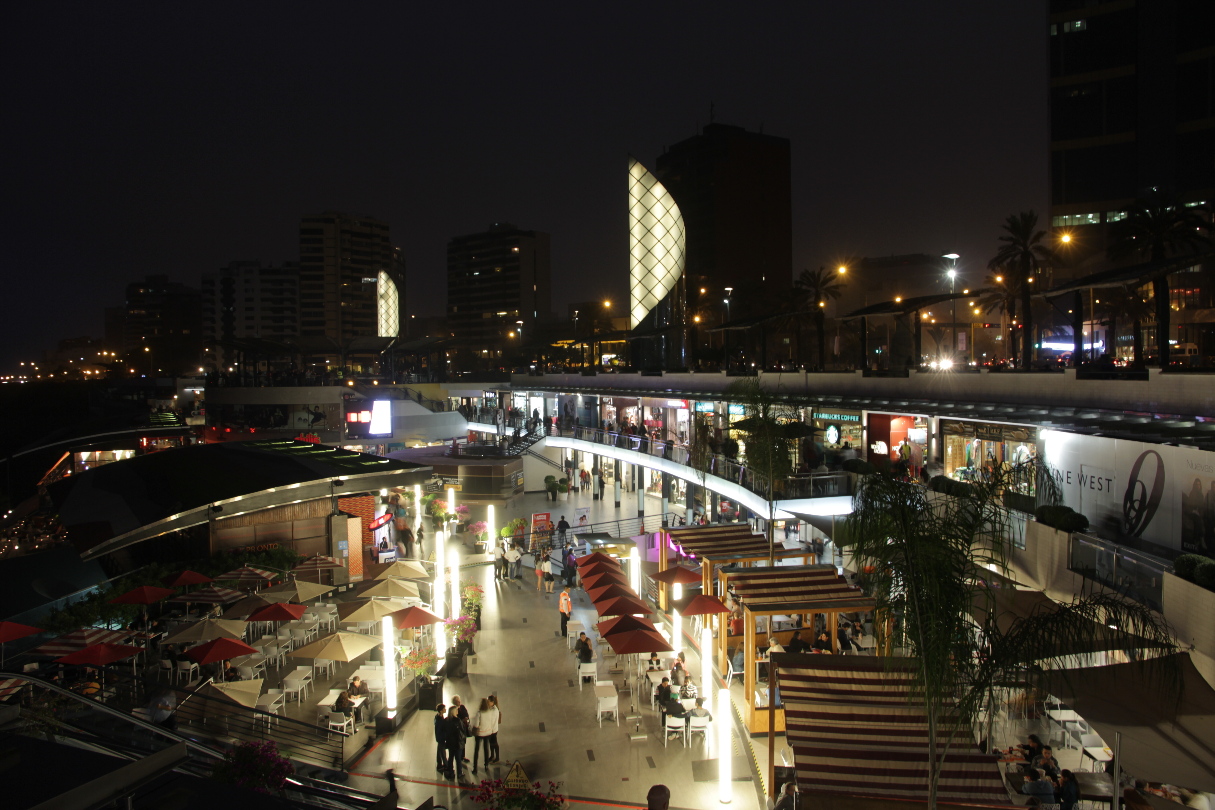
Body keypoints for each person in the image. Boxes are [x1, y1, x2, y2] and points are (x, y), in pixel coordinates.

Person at [442, 701, 469, 781]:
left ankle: (451, 772)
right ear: (454, 712)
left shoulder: (446, 720)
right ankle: (459, 773)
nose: (458, 711)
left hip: (450, 742)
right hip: (457, 743)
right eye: (457, 710)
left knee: (450, 758)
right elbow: (463, 730)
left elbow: (445, 730)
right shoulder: (458, 720)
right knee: (458, 759)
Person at [471, 697, 497, 773]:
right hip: (488, 733)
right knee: (486, 749)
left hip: (479, 733)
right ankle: (486, 765)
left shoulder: (479, 713)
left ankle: (475, 768)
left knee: (477, 750)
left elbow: (476, 724)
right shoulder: (490, 712)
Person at [486, 694, 502, 764]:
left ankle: (497, 757)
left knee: (494, 743)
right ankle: (492, 756)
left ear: (492, 702)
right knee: (491, 743)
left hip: (493, 730)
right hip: (491, 730)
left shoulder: (494, 710)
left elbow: (491, 721)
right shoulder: (492, 708)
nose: (487, 702)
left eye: (488, 701)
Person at [434, 704, 449, 773]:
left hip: (439, 737)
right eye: (444, 709)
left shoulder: (438, 717)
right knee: (443, 752)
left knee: (439, 751)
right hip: (441, 737)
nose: (445, 709)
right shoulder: (440, 720)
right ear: (441, 711)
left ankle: (439, 765)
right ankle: (446, 765)